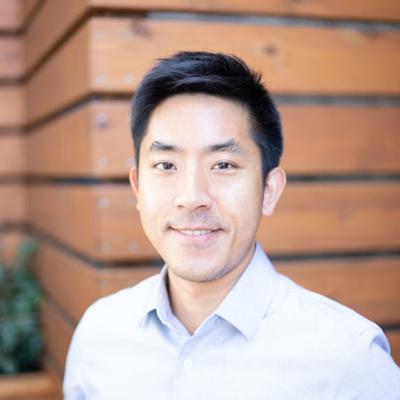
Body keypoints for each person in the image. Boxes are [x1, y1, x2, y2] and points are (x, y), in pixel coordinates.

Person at [63, 51, 400, 399]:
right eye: (166, 165)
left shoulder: (348, 361)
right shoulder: (97, 336)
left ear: (269, 190)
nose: (192, 197)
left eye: (223, 165)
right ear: (137, 188)